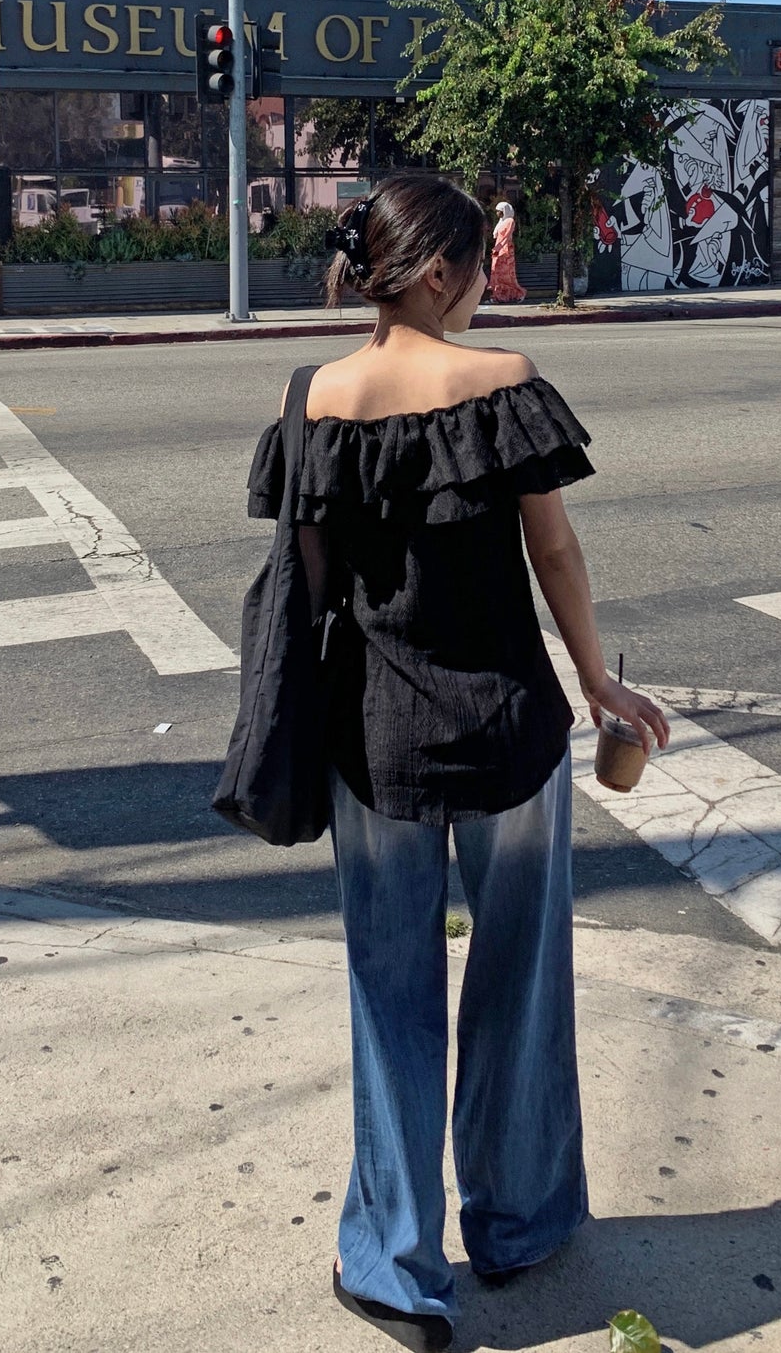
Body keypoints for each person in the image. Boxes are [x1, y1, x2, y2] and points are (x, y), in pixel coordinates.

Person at [246, 174, 669, 1351]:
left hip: (372, 743)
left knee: (388, 995)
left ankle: (389, 1259)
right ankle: (519, 1222)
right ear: (436, 272)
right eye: (479, 263)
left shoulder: (312, 397)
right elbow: (555, 551)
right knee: (519, 979)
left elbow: (312, 591)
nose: (486, 283)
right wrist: (599, 684)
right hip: (507, 734)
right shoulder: (504, 388)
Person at [487, 198, 526, 302]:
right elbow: (496, 235)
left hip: (505, 249)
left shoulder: (510, 221)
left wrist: (498, 248)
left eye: (499, 211)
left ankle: (518, 294)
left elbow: (507, 236)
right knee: (496, 273)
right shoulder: (501, 222)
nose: (497, 213)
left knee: (507, 274)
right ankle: (498, 296)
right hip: (498, 249)